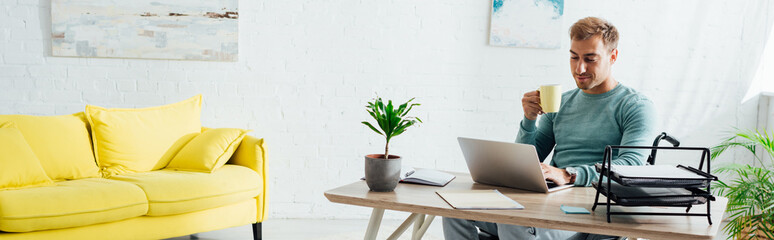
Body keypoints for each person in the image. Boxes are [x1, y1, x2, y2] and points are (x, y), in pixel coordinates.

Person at [443, 17, 656, 240]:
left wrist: (569, 174)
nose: (579, 68)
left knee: (513, 224)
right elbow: (526, 162)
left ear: (613, 56)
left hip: (590, 209)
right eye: (574, 57)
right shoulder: (562, 102)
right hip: (551, 200)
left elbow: (631, 166)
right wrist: (529, 119)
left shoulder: (635, 106)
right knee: (454, 211)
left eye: (590, 59)